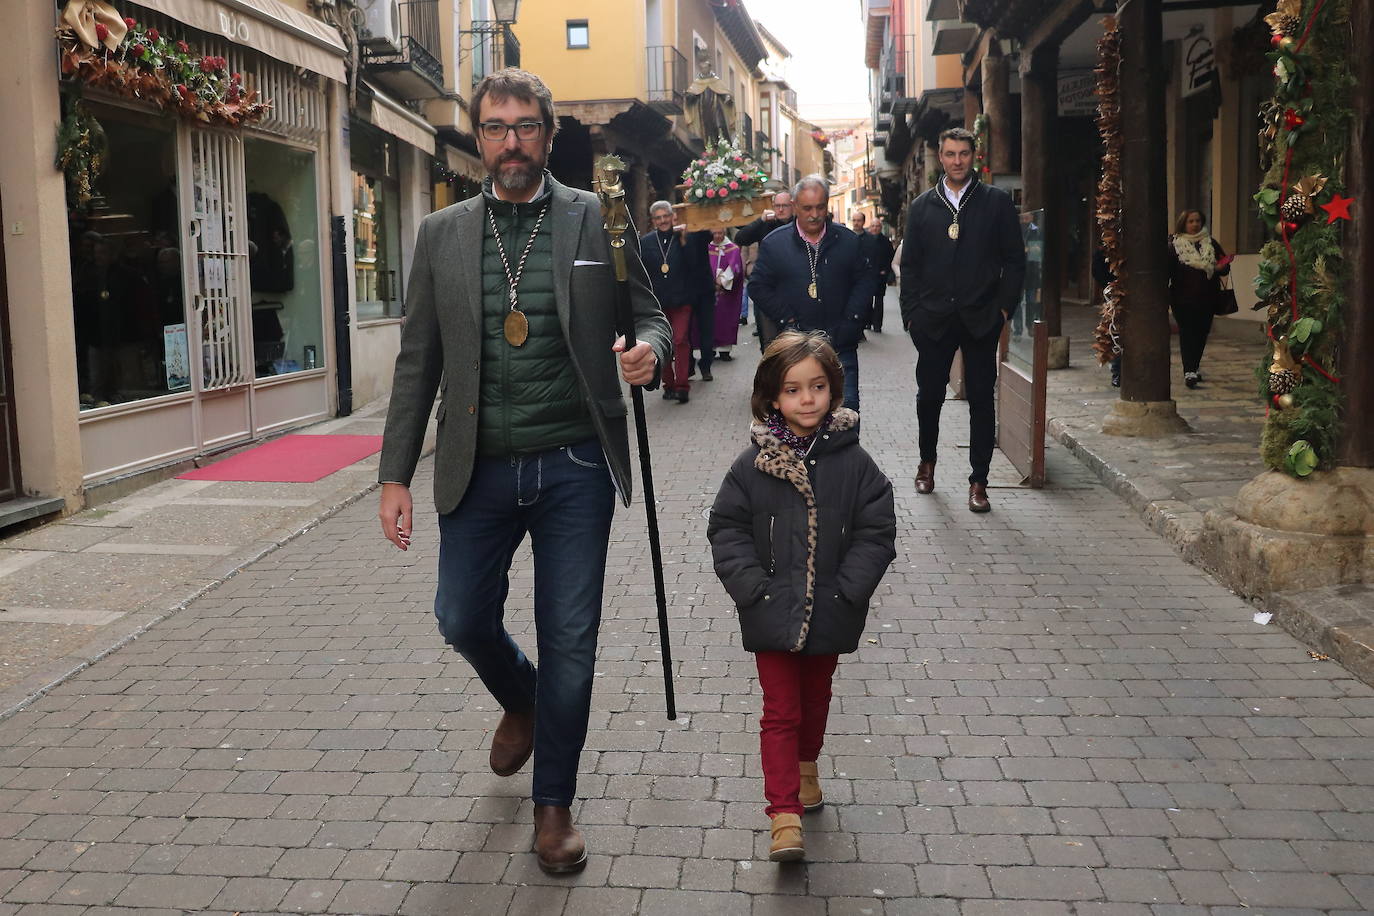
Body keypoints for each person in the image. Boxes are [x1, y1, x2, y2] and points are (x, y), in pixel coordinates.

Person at [376, 68, 671, 876]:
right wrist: (393, 473)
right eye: (497, 127)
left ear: (550, 133)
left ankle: (554, 807)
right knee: (460, 619)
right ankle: (522, 700)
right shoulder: (440, 234)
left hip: (575, 463)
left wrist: (655, 351)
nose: (512, 141)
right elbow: (417, 363)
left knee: (570, 639)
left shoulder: (595, 220)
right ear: (479, 138)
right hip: (478, 467)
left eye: (527, 126)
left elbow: (646, 311)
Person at [706, 331, 896, 862]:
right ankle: (783, 813)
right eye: (792, 390)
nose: (806, 399)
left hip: (832, 608)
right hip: (771, 611)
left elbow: (877, 529)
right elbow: (726, 528)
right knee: (780, 710)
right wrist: (752, 591)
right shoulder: (752, 465)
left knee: (815, 700)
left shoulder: (855, 464)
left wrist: (849, 592)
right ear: (772, 397)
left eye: (817, 387)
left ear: (834, 391)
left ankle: (807, 766)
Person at [901, 126, 1026, 513]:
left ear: (975, 157)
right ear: (941, 157)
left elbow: (1015, 260)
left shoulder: (996, 202)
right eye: (951, 154)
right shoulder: (923, 206)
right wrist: (911, 316)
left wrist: (1003, 309)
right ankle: (927, 462)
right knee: (929, 397)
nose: (957, 161)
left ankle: (979, 481)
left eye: (964, 154)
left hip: (980, 316)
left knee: (981, 401)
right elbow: (911, 265)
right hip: (933, 320)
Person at [749, 175, 878, 414]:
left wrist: (852, 321)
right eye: (807, 208)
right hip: (795, 348)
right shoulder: (775, 244)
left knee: (846, 413)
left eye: (820, 207)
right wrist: (786, 320)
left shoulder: (847, 241)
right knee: (800, 418)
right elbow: (757, 286)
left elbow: (865, 280)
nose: (814, 215)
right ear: (795, 206)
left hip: (841, 344)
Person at [640, 201, 712, 401]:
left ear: (672, 217)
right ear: (653, 221)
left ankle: (682, 386)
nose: (663, 221)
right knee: (663, 344)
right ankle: (668, 384)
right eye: (658, 218)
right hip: (659, 303)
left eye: (666, 216)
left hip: (682, 299)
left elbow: (695, 260)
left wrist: (686, 238)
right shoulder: (646, 242)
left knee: (680, 340)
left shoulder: (683, 237)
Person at [1169, 209, 1231, 389]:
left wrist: (1220, 267)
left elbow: (1224, 265)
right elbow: (1168, 270)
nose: (1195, 224)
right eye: (1191, 221)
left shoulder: (1210, 242)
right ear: (1184, 223)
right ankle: (1189, 370)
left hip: (1207, 298)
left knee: (1201, 334)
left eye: (1197, 221)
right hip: (1182, 299)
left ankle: (1194, 367)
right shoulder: (1174, 245)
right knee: (1187, 333)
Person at [737, 190, 794, 351]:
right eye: (777, 206)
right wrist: (760, 221)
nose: (780, 209)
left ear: (793, 206)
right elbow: (741, 238)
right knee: (769, 344)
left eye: (785, 206)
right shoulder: (766, 224)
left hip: (791, 288)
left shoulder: (799, 224)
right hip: (768, 288)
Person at [706, 228, 744, 360]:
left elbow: (735, 267)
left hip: (726, 293)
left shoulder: (732, 249)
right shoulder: (706, 247)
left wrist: (722, 280)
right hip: (709, 291)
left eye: (720, 233)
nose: (717, 236)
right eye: (714, 233)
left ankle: (725, 350)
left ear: (725, 233)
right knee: (709, 320)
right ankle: (709, 348)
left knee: (725, 319)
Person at [863, 220, 895, 332]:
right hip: (867, 275)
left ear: (880, 228)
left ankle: (877, 324)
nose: (875, 228)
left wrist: (886, 271)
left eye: (877, 226)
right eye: (873, 226)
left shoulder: (886, 242)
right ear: (869, 227)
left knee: (879, 301)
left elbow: (891, 258)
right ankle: (867, 322)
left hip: (880, 276)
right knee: (867, 300)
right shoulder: (864, 240)